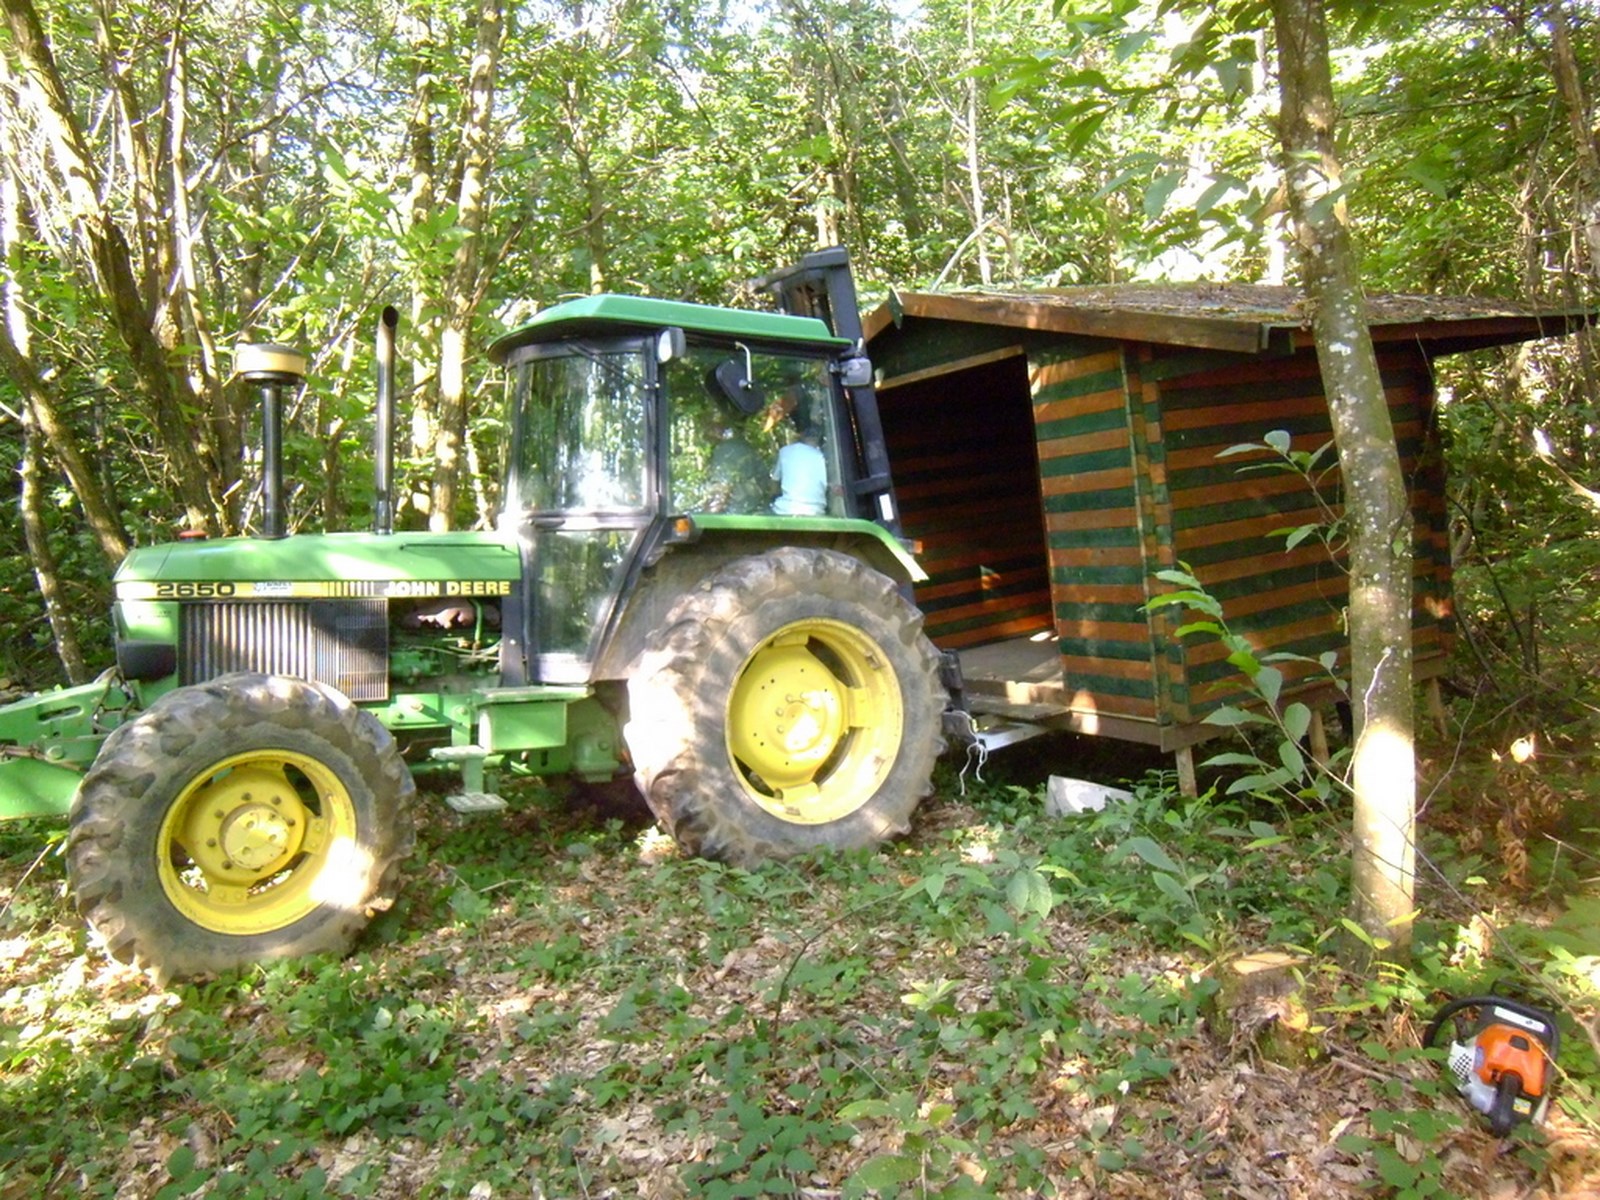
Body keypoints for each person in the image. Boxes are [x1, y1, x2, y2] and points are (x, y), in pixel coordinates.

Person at [771, 409, 828, 516]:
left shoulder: (785, 451)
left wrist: (773, 498)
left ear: (800, 435)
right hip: (816, 512)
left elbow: (775, 482)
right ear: (818, 439)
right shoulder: (823, 456)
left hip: (785, 510)